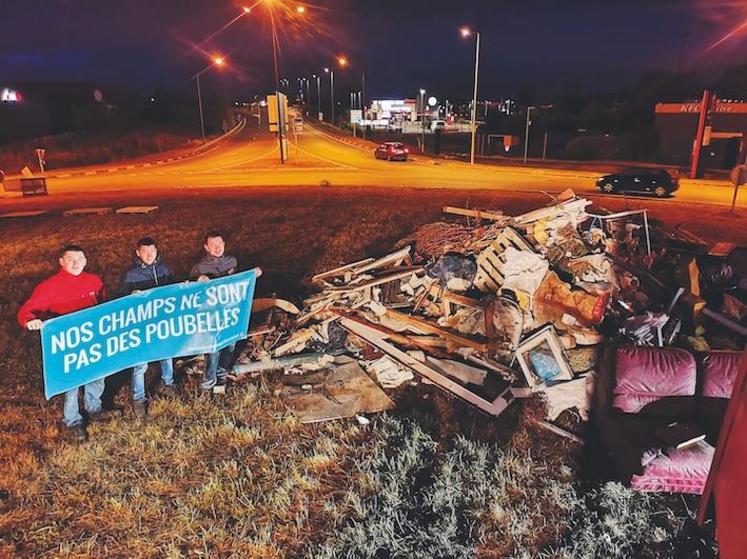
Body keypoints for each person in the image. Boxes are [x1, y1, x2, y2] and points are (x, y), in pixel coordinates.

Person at [17, 245, 122, 441]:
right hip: (69, 344)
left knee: (97, 374)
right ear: (61, 262)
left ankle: (94, 408)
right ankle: (72, 420)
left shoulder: (94, 281)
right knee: (72, 381)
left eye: (80, 259)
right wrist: (29, 320)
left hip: (92, 339)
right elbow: (27, 310)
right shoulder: (49, 287)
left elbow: (102, 305)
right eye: (71, 259)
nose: (76, 263)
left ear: (86, 260)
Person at [118, 237, 177, 418]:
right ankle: (138, 398)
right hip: (141, 325)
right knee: (141, 362)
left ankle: (168, 383)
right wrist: (130, 295)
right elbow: (119, 299)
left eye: (152, 251)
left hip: (162, 322)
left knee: (166, 354)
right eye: (145, 252)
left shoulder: (164, 269)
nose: (149, 255)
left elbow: (175, 288)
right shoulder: (130, 275)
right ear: (138, 253)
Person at [190, 231, 237, 393]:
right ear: (206, 247)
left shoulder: (232, 261)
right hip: (211, 315)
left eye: (220, 244)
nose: (217, 248)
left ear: (224, 243)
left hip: (230, 311)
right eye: (213, 245)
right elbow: (190, 294)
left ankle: (221, 375)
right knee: (214, 348)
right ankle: (207, 383)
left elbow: (240, 282)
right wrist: (197, 282)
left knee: (231, 344)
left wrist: (253, 274)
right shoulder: (199, 267)